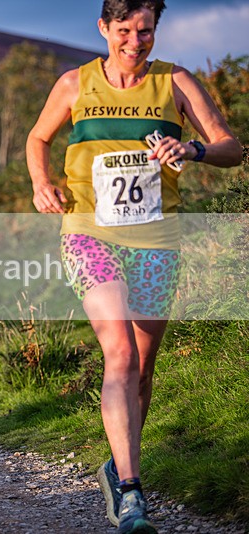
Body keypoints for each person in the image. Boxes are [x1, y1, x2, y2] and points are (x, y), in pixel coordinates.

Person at [26, 1, 241, 532]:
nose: (135, 42)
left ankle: (118, 465)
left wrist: (192, 149)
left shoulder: (176, 82)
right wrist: (41, 183)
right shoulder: (76, 84)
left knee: (142, 368)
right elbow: (37, 138)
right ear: (104, 28)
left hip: (157, 240)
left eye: (145, 31)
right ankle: (130, 491)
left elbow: (232, 148)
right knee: (118, 352)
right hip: (88, 234)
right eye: (124, 31)